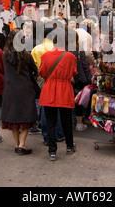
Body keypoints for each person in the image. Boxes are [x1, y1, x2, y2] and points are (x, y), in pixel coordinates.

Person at [39, 28, 78, 161]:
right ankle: (69, 145)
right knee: (66, 120)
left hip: (49, 89)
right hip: (64, 90)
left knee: (51, 121)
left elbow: (42, 73)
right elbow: (73, 73)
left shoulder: (45, 56)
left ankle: (52, 151)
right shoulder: (70, 56)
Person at [1, 29, 38, 155]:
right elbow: (35, 70)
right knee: (26, 116)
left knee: (13, 117)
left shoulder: (4, 54)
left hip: (10, 89)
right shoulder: (26, 54)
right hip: (25, 89)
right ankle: (22, 144)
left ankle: (16, 144)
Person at [31, 22, 64, 144]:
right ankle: (59, 133)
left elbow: (34, 68)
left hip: (41, 79)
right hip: (57, 79)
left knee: (44, 106)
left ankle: (46, 135)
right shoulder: (58, 48)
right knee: (58, 106)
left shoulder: (36, 49)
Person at [67, 28, 92, 132]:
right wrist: (90, 78)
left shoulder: (65, 49)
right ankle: (79, 123)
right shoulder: (79, 49)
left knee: (69, 99)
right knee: (79, 101)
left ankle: (71, 120)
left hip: (69, 78)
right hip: (80, 78)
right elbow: (85, 65)